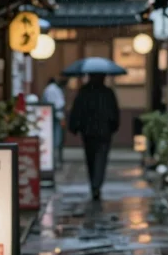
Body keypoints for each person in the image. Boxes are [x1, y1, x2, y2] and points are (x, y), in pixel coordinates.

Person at [68, 73, 120, 201]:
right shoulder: (108, 92)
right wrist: (113, 127)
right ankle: (96, 184)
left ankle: (94, 184)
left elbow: (77, 110)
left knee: (91, 158)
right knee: (101, 159)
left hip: (88, 131)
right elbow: (115, 112)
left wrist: (74, 127)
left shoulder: (84, 92)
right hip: (104, 132)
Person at [42, 77, 67, 166]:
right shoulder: (55, 89)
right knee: (56, 138)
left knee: (53, 138)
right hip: (56, 115)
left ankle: (53, 159)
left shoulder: (48, 89)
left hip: (51, 115)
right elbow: (59, 103)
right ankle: (55, 159)